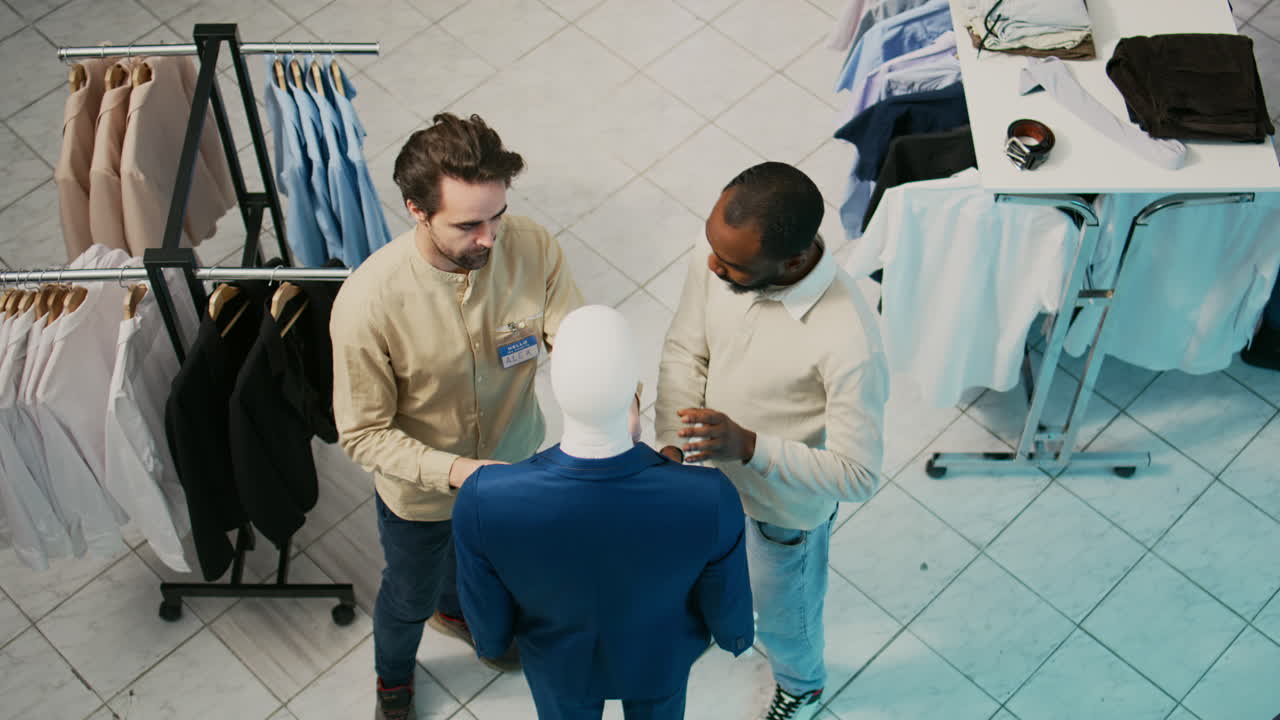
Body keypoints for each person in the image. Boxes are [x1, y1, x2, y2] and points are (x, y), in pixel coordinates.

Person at [329, 112, 584, 720]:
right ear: (417, 210)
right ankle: (393, 677)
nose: (490, 238)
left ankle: (461, 612)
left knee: (501, 571)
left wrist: (610, 393)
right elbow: (364, 434)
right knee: (408, 595)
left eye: (497, 215)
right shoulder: (367, 304)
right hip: (420, 497)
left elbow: (573, 334)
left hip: (518, 464)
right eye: (468, 224)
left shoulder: (532, 246)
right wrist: (461, 472)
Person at [656, 161, 890, 720]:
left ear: (792, 261)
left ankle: (802, 685)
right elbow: (687, 347)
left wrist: (750, 447)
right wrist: (670, 443)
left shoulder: (849, 340)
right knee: (712, 582)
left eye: (733, 266)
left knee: (788, 617)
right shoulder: (720, 252)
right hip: (706, 485)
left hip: (780, 512)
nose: (712, 265)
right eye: (713, 248)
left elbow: (858, 476)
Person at [453, 304, 755, 720]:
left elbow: (486, 604)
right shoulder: (708, 497)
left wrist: (490, 644)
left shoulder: (484, 499)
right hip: (659, 657)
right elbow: (725, 593)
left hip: (558, 664)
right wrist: (735, 636)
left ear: (554, 388)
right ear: (634, 390)